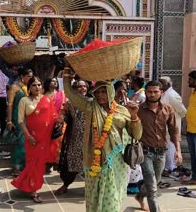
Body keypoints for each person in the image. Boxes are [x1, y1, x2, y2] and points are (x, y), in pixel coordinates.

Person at [63, 67, 142, 212]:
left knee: (112, 198)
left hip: (116, 160)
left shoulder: (122, 110)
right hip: (94, 158)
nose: (100, 95)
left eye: (104, 91)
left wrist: (135, 116)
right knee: (94, 196)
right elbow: (70, 93)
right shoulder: (90, 107)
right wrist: (67, 73)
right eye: (97, 92)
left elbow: (136, 135)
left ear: (111, 92)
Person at [136, 81, 183, 212]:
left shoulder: (167, 109)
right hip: (145, 152)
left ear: (161, 92)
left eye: (155, 91)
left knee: (155, 181)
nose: (152, 94)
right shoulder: (138, 110)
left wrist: (178, 151)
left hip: (161, 152)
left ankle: (140, 196)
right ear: (145, 93)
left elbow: (174, 130)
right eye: (149, 92)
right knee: (152, 187)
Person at [11, 76, 58, 203]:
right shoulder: (24, 100)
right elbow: (21, 121)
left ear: (42, 86)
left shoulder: (47, 100)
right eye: (34, 85)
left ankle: (30, 185)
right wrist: (28, 136)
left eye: (39, 85)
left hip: (45, 138)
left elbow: (53, 116)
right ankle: (33, 190)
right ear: (29, 88)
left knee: (40, 165)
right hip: (31, 138)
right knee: (32, 164)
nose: (37, 87)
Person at [55, 79, 88, 195]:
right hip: (75, 139)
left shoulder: (91, 102)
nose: (82, 88)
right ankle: (65, 185)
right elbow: (64, 115)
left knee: (91, 164)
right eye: (79, 86)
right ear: (74, 89)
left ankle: (90, 188)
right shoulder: (70, 103)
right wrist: (61, 120)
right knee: (70, 163)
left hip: (89, 140)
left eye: (84, 86)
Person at [7, 68, 33, 175]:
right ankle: (17, 166)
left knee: (28, 141)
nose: (30, 79)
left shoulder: (30, 88)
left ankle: (26, 165)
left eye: (31, 77)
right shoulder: (15, 87)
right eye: (29, 76)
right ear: (22, 76)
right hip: (17, 117)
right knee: (20, 141)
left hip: (29, 117)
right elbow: (10, 105)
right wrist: (9, 121)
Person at [159, 76, 187, 175]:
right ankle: (167, 167)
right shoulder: (163, 93)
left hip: (172, 124)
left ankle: (171, 167)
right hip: (164, 126)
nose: (160, 84)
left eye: (161, 82)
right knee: (167, 146)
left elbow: (182, 111)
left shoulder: (172, 95)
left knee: (171, 146)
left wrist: (175, 118)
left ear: (167, 84)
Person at [44, 77, 67, 173]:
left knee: (60, 142)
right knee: (48, 144)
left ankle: (58, 163)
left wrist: (60, 119)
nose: (55, 83)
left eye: (56, 81)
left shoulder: (61, 94)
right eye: (52, 81)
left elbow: (64, 106)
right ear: (48, 83)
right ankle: (48, 163)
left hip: (60, 122)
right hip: (46, 123)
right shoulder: (43, 95)